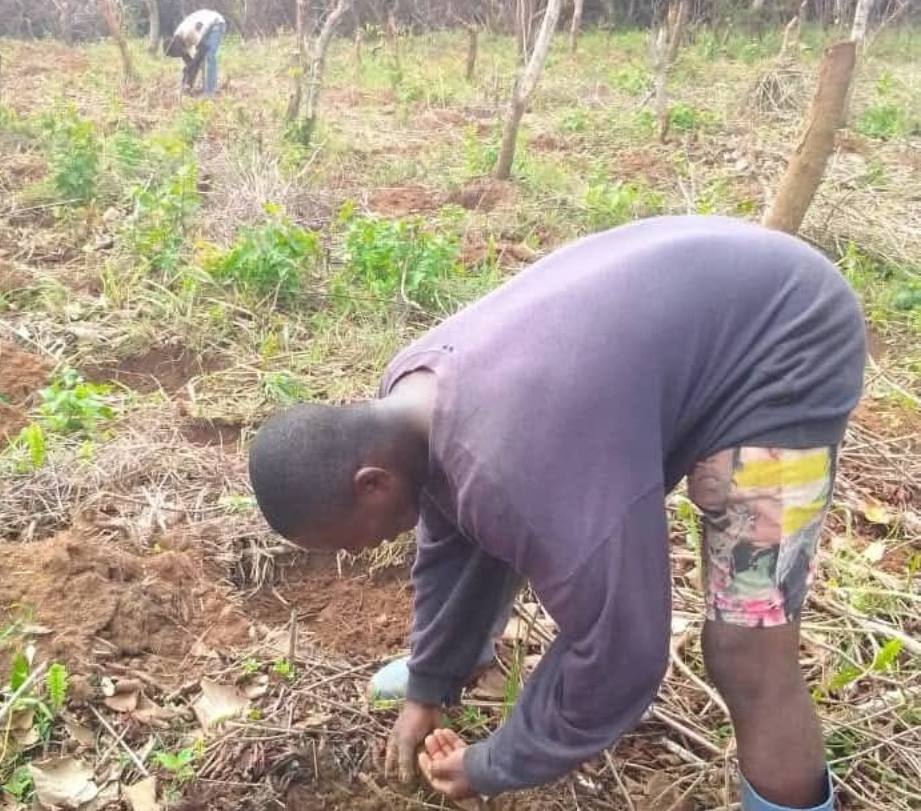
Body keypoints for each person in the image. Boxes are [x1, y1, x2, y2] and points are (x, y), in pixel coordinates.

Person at [247, 215, 866, 811]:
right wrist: (427, 686)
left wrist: (495, 763)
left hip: (783, 339)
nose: (356, 553)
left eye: (346, 541)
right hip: (708, 279)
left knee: (745, 646)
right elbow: (453, 543)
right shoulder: (407, 398)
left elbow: (621, 649)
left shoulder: (525, 474)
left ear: (371, 483)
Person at [166, 8, 226, 95]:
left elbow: (198, 57)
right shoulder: (178, 39)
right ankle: (198, 87)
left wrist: (191, 65)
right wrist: (185, 83)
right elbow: (189, 63)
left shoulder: (189, 32)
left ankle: (209, 92)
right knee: (196, 62)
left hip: (215, 24)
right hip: (202, 29)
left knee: (209, 56)